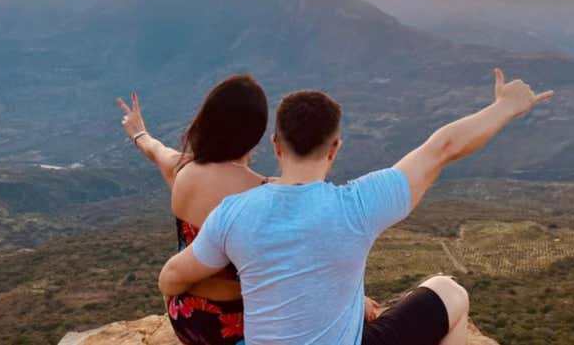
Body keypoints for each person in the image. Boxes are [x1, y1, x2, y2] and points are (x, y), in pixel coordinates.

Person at [158, 68, 554, 345]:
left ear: (276, 145)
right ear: (335, 149)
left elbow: (173, 275)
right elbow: (442, 148)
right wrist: (505, 107)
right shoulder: (358, 205)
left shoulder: (235, 211)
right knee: (448, 290)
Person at [117, 74, 381, 345]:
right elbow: (304, 261)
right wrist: (354, 300)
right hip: (233, 326)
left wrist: (139, 133)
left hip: (185, 317)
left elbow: (155, 150)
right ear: (259, 136)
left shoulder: (182, 169)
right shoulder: (263, 195)